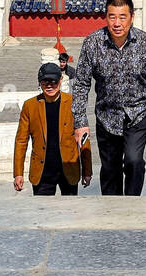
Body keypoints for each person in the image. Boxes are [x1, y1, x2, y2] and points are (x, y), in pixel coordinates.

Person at [71, 0, 146, 195]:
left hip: (139, 113)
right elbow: (81, 84)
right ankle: (113, 213)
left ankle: (132, 203)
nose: (117, 23)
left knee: (133, 160)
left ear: (132, 17)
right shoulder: (93, 44)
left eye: (122, 17)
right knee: (110, 169)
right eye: (112, 17)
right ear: (106, 17)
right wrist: (80, 121)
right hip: (106, 115)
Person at [14, 62, 93, 195]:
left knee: (70, 211)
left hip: (68, 167)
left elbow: (84, 139)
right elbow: (21, 141)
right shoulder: (30, 106)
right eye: (45, 82)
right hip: (42, 170)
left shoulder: (73, 103)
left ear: (61, 80)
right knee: (43, 212)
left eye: (53, 82)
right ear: (39, 83)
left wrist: (87, 171)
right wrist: (18, 173)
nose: (49, 86)